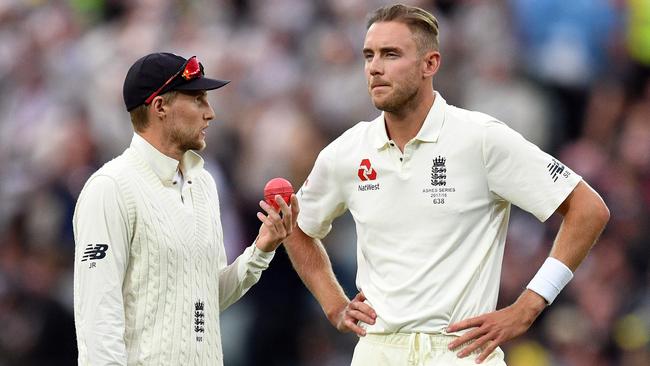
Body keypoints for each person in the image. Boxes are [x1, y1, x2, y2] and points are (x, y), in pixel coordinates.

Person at [285, 4, 609, 366]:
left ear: (430, 64)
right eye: (369, 55)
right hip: (378, 351)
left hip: (460, 350)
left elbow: (588, 208)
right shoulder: (346, 151)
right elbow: (296, 227)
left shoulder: (482, 139)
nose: (374, 67)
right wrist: (335, 305)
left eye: (391, 54)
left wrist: (529, 306)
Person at [73, 52, 298, 366]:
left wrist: (261, 249)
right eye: (198, 100)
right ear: (160, 107)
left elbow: (205, 299)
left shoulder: (203, 184)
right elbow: (97, 315)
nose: (211, 113)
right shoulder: (110, 188)